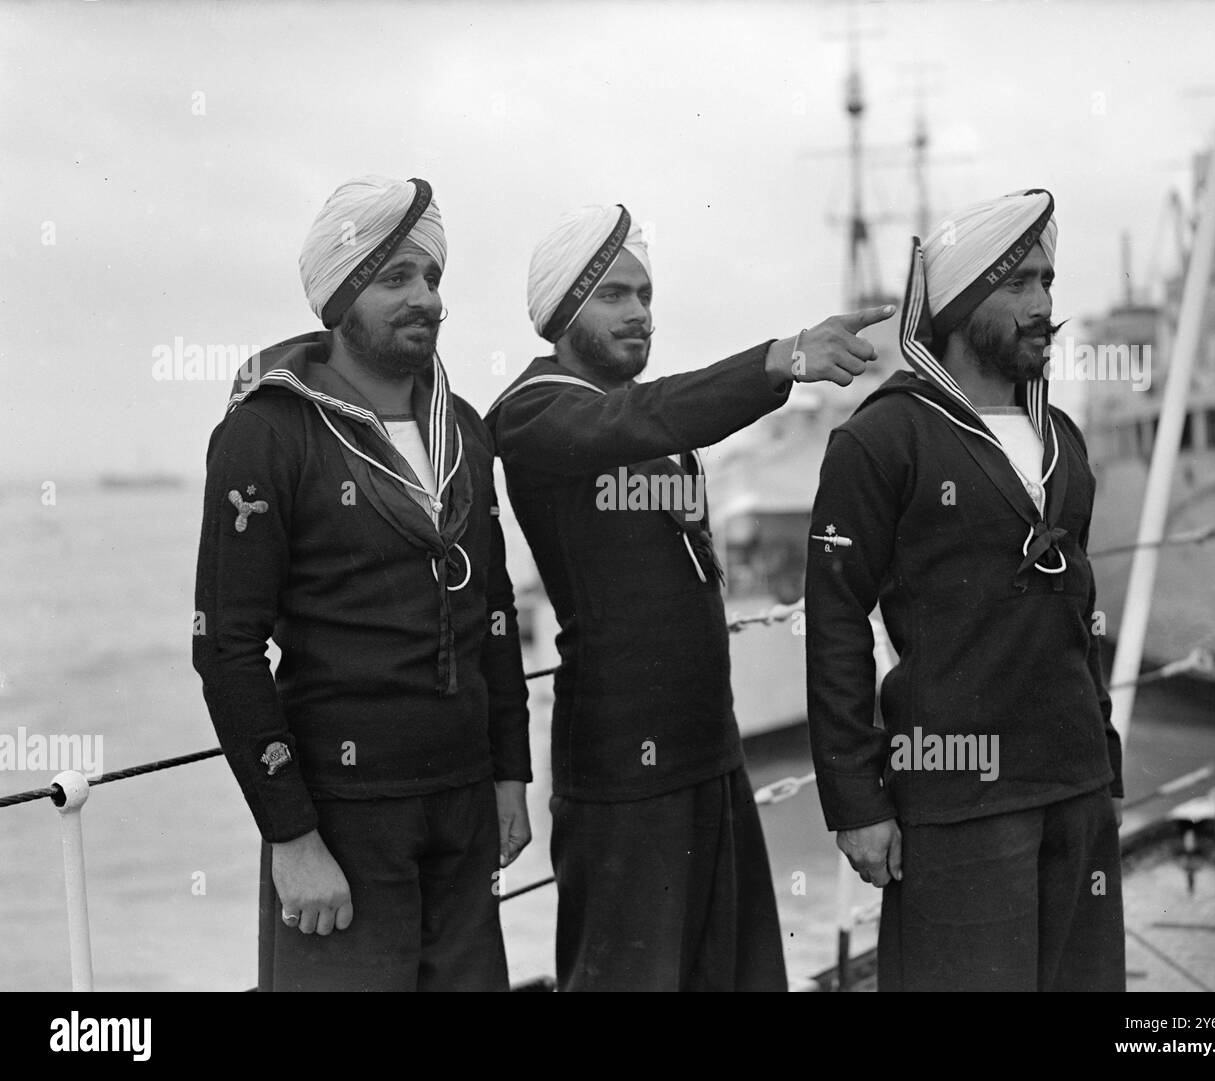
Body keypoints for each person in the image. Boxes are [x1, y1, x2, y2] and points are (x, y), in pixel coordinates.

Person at [486, 203, 893, 991]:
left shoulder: (644, 423)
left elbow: (649, 420)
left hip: (709, 751)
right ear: (563, 311)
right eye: (612, 295)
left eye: (644, 294)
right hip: (622, 771)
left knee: (735, 974)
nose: (638, 312)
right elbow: (629, 419)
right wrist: (780, 359)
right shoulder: (535, 413)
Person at [192, 175, 532, 992]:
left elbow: (494, 611)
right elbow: (227, 649)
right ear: (339, 297)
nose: (427, 298)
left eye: (433, 277)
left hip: (461, 809)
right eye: (394, 278)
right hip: (342, 815)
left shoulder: (466, 429)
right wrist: (292, 838)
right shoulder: (266, 433)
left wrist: (510, 774)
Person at [804, 189, 1125, 992]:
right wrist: (856, 801)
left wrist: (1105, 763)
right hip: (958, 804)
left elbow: (1081, 615)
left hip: (1076, 787)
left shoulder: (1064, 441)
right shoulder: (883, 438)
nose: (1043, 304)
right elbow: (836, 616)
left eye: (1048, 282)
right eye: (1019, 284)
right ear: (961, 300)